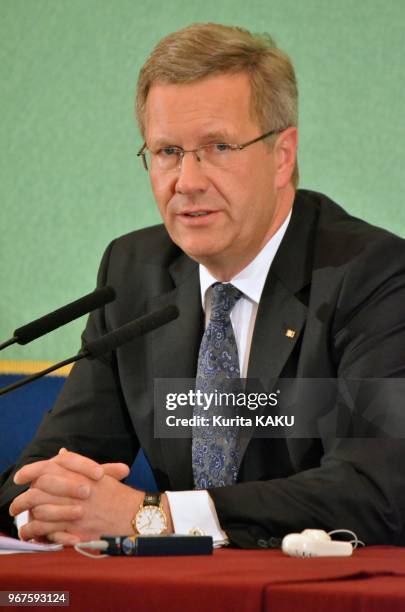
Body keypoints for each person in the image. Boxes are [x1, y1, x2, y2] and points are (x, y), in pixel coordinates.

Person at [1, 23, 405, 549]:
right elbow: (49, 466)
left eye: (218, 146)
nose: (187, 181)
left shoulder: (373, 276)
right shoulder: (135, 272)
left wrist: (156, 516)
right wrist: (46, 504)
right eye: (167, 151)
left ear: (282, 156)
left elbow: (377, 492)